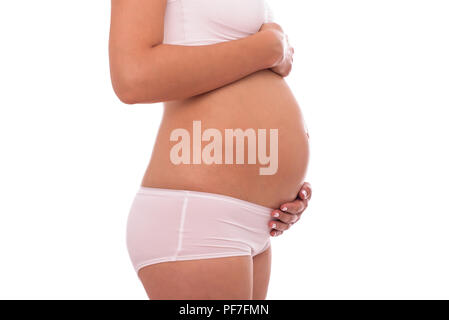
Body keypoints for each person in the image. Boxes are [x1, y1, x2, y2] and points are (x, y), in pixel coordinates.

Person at [109, 0, 311, 299]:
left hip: (255, 225)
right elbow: (133, 77)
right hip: (197, 219)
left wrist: (280, 187)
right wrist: (267, 49)